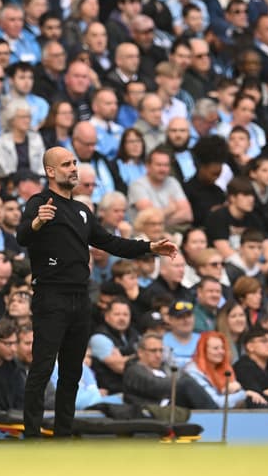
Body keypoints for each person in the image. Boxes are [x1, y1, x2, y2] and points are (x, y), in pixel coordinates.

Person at [17, 147, 178, 438]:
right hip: (51, 295)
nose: (73, 168)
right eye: (66, 164)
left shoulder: (81, 210)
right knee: (42, 368)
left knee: (72, 372)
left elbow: (110, 243)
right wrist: (38, 222)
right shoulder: (39, 203)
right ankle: (31, 436)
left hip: (81, 297)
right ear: (50, 171)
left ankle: (63, 436)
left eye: (74, 163)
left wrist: (149, 247)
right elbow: (22, 236)